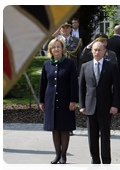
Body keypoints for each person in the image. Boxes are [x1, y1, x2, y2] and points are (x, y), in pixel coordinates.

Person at [79, 41, 120, 170]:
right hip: (90, 107)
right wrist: (82, 105)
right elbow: (81, 88)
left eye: (99, 50)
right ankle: (95, 161)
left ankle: (106, 162)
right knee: (92, 137)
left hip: (106, 107)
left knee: (105, 137)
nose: (97, 52)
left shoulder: (112, 66)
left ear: (104, 51)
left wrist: (115, 105)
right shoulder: (85, 66)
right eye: (95, 50)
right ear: (91, 51)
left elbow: (117, 89)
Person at [39, 38, 79, 166]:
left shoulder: (70, 63)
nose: (56, 49)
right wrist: (41, 101)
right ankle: (57, 155)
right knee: (54, 129)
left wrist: (73, 100)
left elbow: (74, 83)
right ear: (50, 50)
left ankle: (63, 156)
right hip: (50, 101)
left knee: (64, 129)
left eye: (58, 47)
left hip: (65, 101)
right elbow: (43, 84)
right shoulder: (46, 64)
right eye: (54, 47)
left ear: (62, 48)